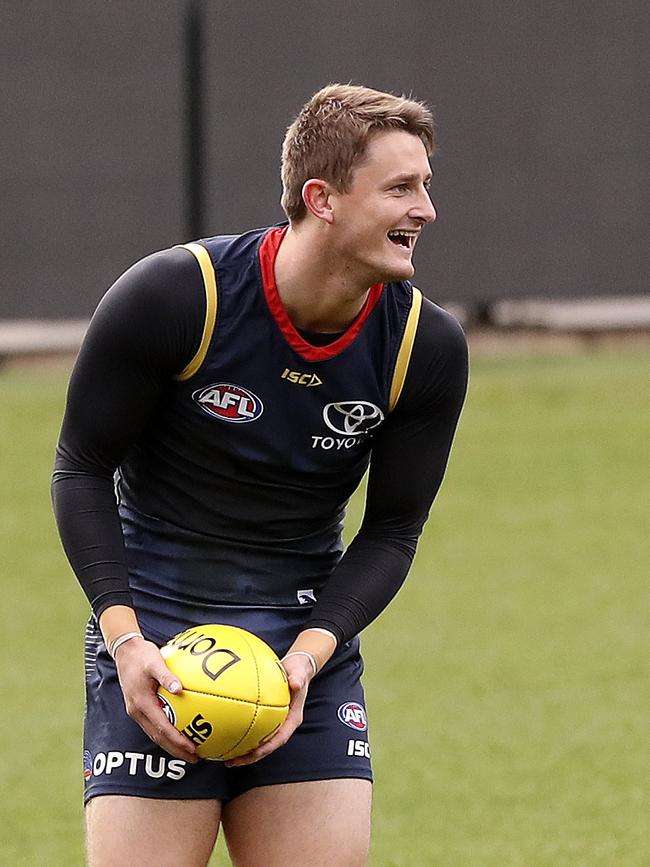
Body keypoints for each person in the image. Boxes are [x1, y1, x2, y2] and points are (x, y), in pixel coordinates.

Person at [52, 83, 468, 867]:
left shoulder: (424, 347)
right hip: (154, 642)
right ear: (324, 199)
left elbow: (393, 530)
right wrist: (127, 642)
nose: (426, 210)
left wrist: (308, 658)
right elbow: (81, 468)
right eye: (401, 188)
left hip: (303, 646)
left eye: (426, 186)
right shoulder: (180, 295)